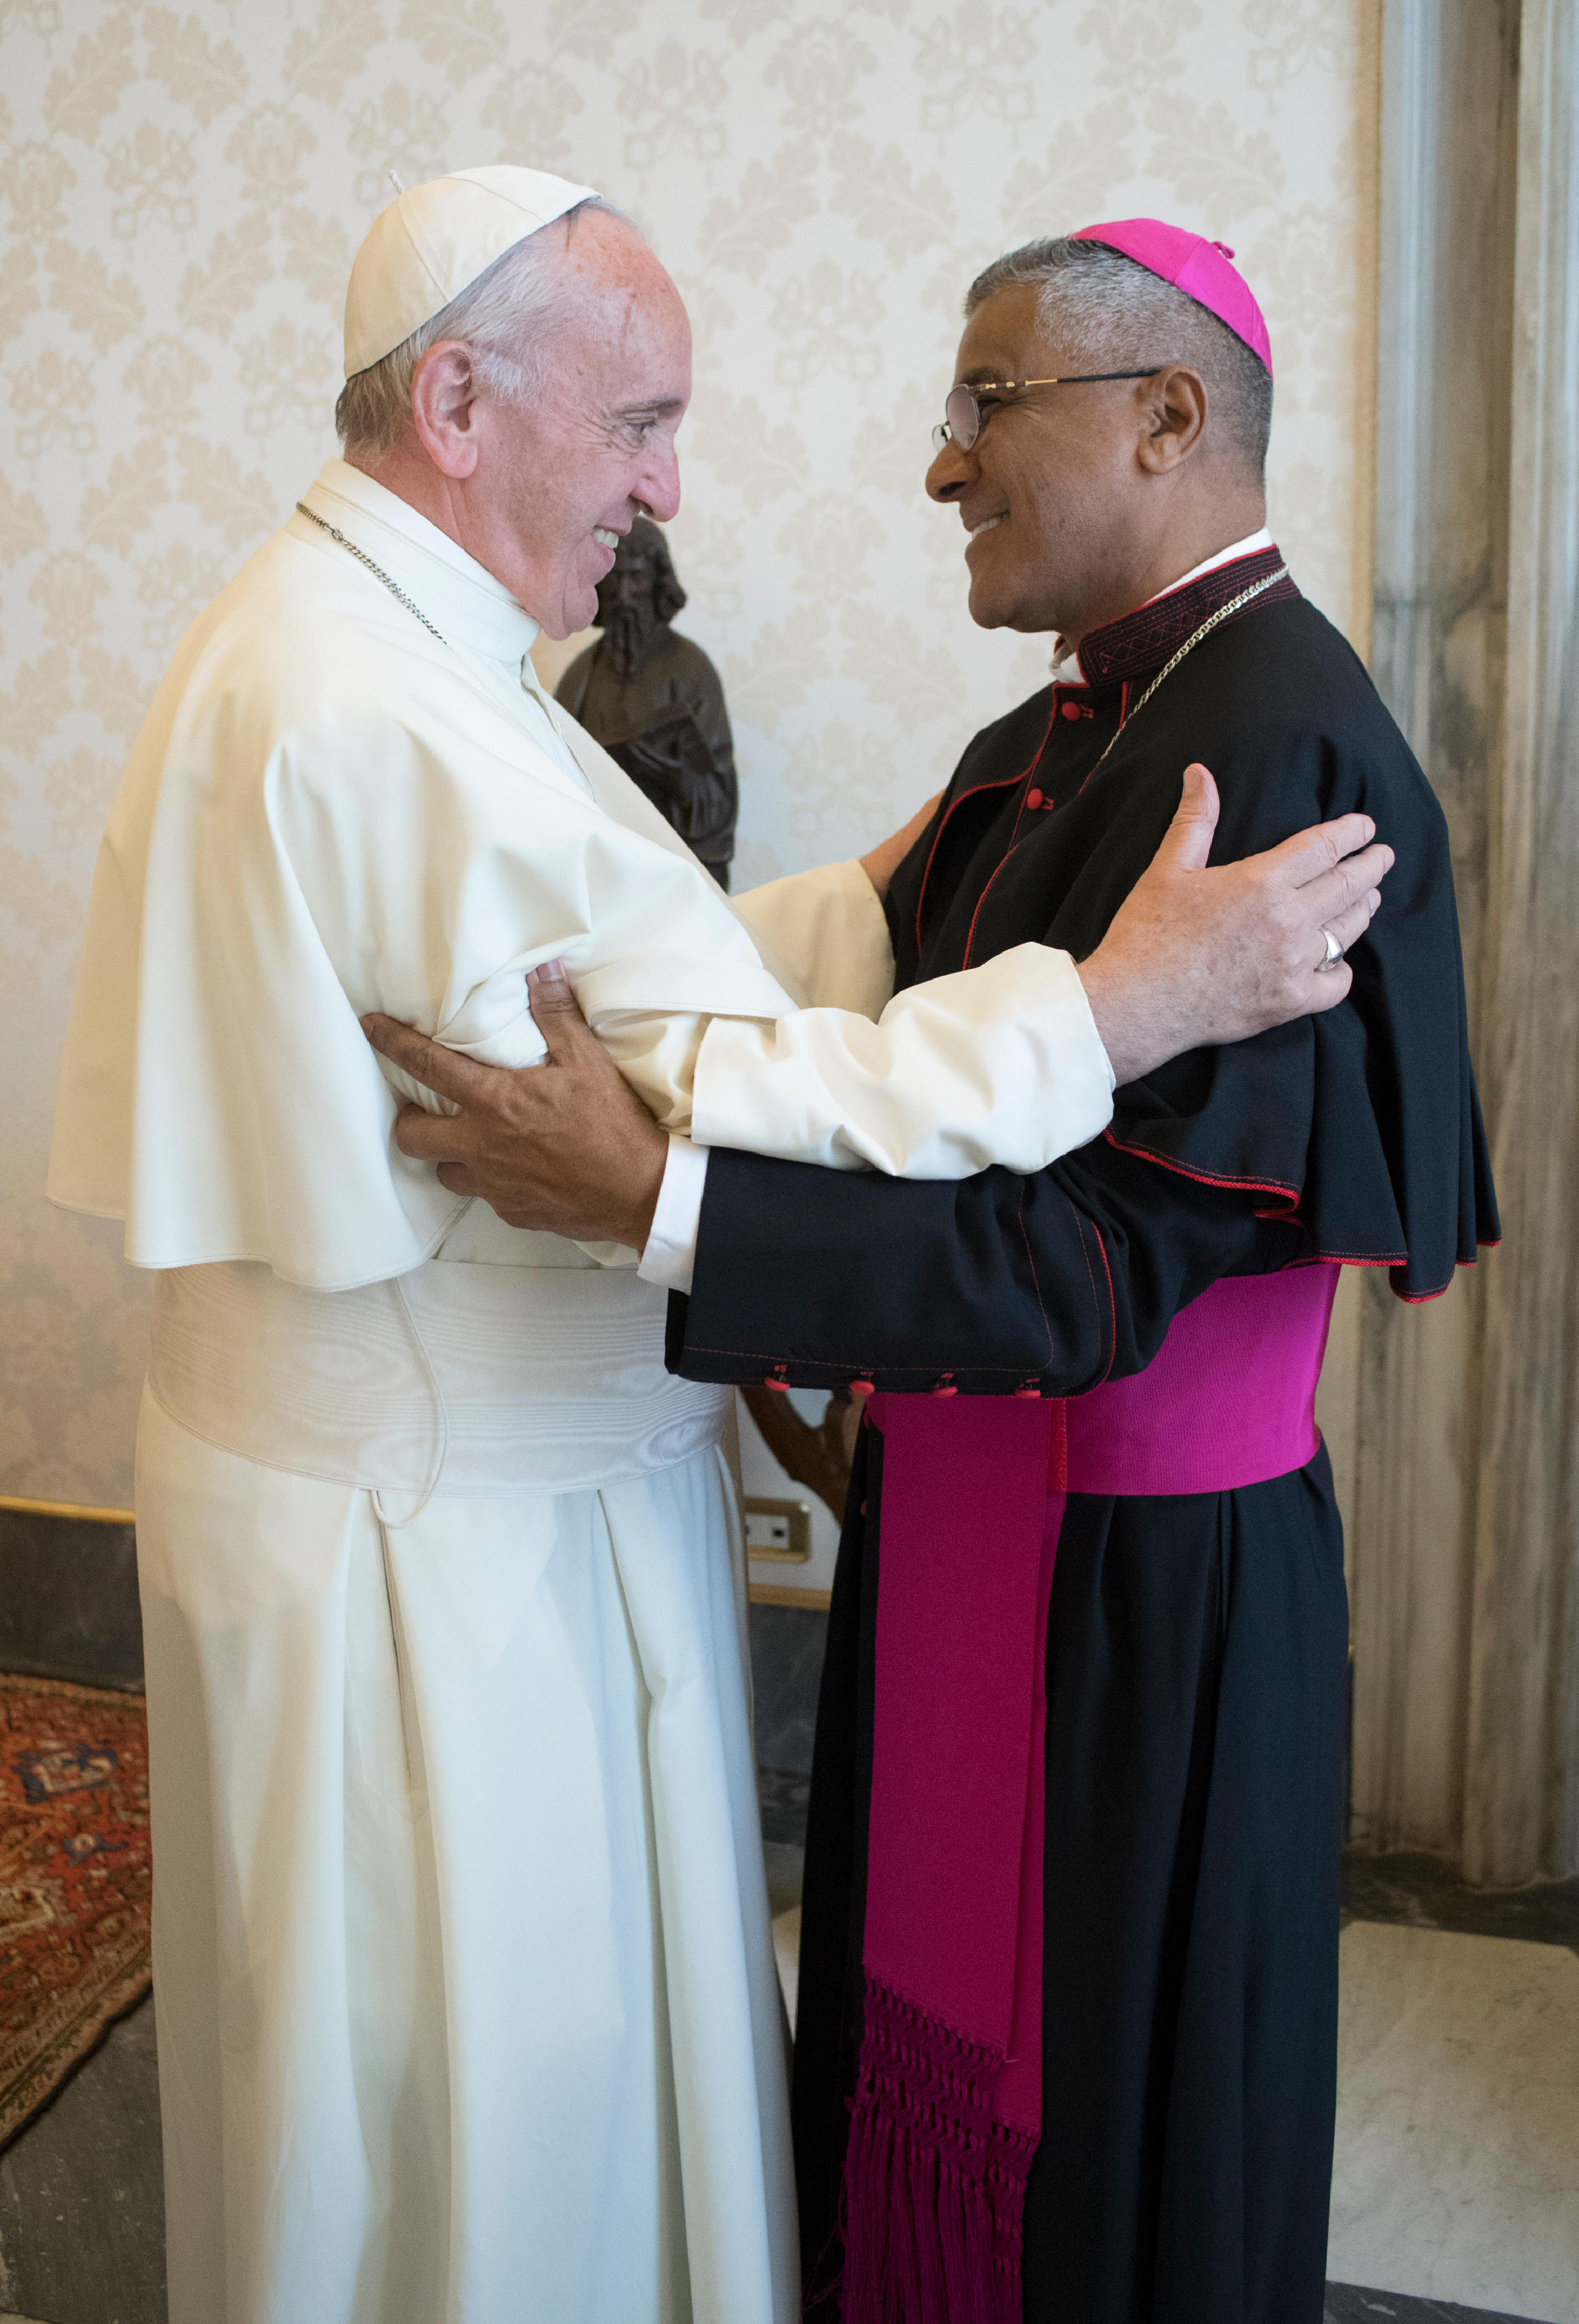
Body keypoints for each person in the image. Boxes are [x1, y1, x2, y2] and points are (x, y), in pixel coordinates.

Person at [48, 165, 1385, 2324]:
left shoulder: (371, 635)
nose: (667, 489)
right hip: (451, 1569)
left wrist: (871, 896)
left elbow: (622, 972)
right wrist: (1117, 1004)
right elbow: (709, 1080)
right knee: (493, 2133)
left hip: (426, 1510)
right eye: (640, 422)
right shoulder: (376, 703)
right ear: (458, 403)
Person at [362, 222, 1492, 2324]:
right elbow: (859, 1019)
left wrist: (651, 1199)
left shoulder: (1278, 756)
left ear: (1168, 415)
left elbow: (1092, 1270)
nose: (939, 461)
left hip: (1146, 1605)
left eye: (988, 402)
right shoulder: (1067, 731)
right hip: (976, 1527)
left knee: (1113, 2178)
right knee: (918, 2109)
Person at [556, 514, 739, 884]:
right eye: (615, 578)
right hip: (604, 868)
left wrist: (678, 780)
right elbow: (554, 783)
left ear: (658, 582)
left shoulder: (691, 670)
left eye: (636, 577)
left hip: (676, 871)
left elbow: (719, 804)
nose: (625, 594)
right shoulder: (580, 677)